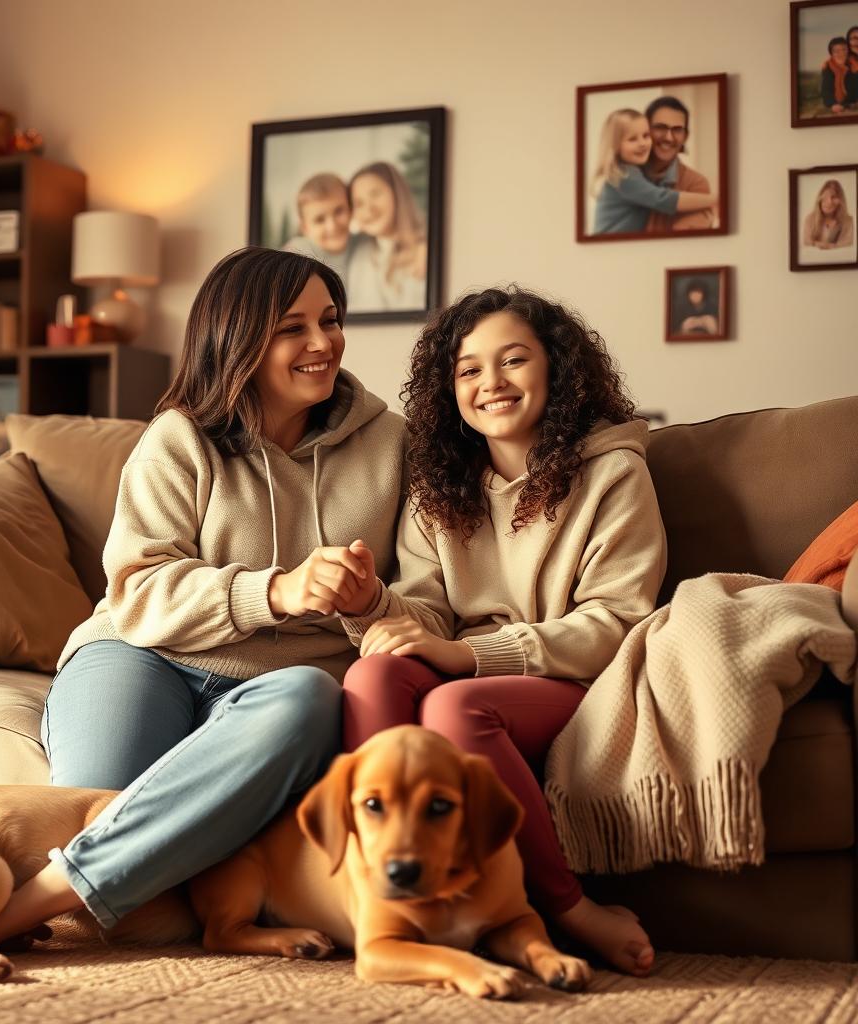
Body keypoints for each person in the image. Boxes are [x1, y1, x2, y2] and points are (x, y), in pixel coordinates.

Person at [0, 246, 405, 947]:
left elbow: (426, 600)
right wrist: (279, 590)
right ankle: (105, 884)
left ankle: (35, 901)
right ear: (238, 340)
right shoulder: (179, 439)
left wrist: (368, 601)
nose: (323, 344)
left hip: (276, 686)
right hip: (140, 654)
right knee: (95, 809)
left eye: (331, 320)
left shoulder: (392, 445)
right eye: (293, 328)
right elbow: (137, 589)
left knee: (308, 702)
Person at [340, 285, 667, 977]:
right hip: (465, 666)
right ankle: (385, 903)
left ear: (556, 368)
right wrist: (374, 604)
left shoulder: (614, 475)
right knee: (372, 673)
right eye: (468, 369)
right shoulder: (438, 489)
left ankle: (571, 910)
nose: (491, 383)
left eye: (513, 360)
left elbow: (616, 620)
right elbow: (423, 609)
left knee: (456, 704)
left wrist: (465, 654)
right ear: (447, 388)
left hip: (568, 678)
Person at [591, 108, 717, 235]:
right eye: (632, 139)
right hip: (610, 250)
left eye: (646, 136)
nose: (642, 143)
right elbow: (663, 199)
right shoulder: (624, 176)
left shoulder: (630, 171)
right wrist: (716, 199)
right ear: (615, 146)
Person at [347, 161, 427, 312]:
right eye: (358, 203)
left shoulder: (427, 247)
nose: (369, 209)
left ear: (397, 193)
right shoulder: (360, 253)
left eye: (375, 194)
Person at [643, 96, 717, 233]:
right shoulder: (625, 175)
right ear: (645, 130)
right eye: (660, 127)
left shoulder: (696, 183)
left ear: (685, 137)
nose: (669, 137)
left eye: (677, 130)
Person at [282, 172, 362, 280]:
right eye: (319, 220)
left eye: (338, 211)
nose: (332, 226)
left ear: (351, 209)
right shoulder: (296, 255)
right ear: (305, 228)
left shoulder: (365, 244)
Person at [802, 179, 855, 249]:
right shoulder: (810, 219)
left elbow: (848, 246)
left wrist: (817, 244)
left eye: (833, 197)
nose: (829, 202)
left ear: (841, 201)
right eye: (825, 196)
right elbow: (806, 244)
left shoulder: (849, 221)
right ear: (819, 198)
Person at [820, 36, 858, 114]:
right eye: (836, 51)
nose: (841, 53)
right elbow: (826, 90)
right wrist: (833, 104)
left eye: (844, 49)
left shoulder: (855, 65)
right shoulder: (828, 68)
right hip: (838, 105)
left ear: (848, 50)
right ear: (831, 53)